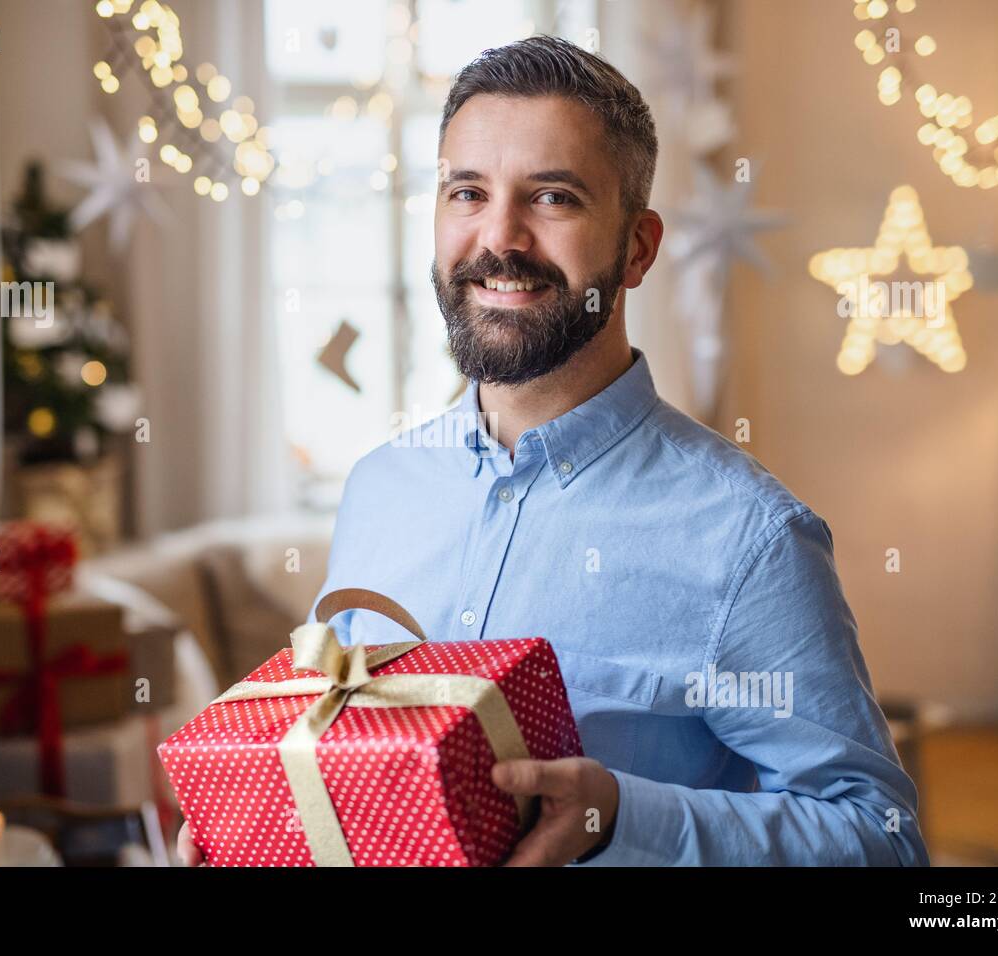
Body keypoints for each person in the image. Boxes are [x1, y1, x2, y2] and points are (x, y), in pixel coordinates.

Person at [179, 35, 928, 867]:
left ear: (637, 249)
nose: (501, 240)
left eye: (554, 198)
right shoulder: (379, 490)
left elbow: (879, 840)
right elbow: (344, 760)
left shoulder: (748, 537)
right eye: (468, 191)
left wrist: (622, 815)